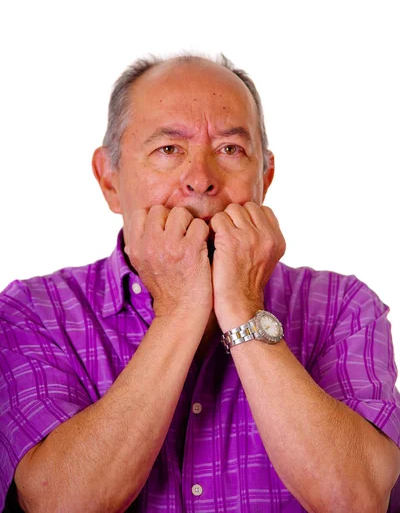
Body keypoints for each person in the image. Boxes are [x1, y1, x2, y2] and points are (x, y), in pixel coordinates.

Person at [0, 53, 399, 513]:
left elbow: (357, 499)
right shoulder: (32, 312)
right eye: (168, 150)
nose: (202, 180)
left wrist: (243, 309)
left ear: (264, 178)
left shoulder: (344, 307)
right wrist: (179, 312)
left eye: (230, 150)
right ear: (109, 180)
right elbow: (59, 503)